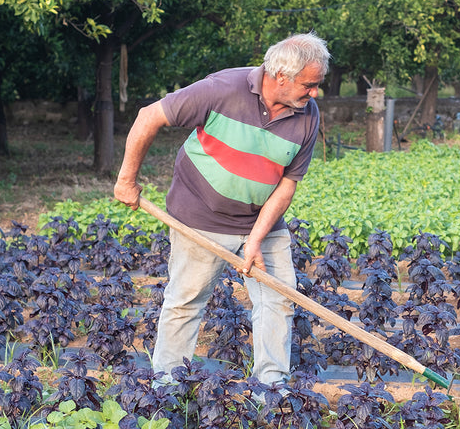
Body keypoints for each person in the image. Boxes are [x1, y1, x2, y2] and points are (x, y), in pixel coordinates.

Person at [113, 32, 329, 385]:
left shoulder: (307, 115)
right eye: (309, 84)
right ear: (281, 77)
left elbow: (287, 184)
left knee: (279, 299)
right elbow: (148, 116)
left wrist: (257, 238)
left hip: (263, 220)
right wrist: (126, 179)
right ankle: (165, 386)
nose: (315, 93)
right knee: (186, 300)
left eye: (318, 85)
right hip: (200, 216)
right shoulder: (221, 89)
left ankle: (271, 389)